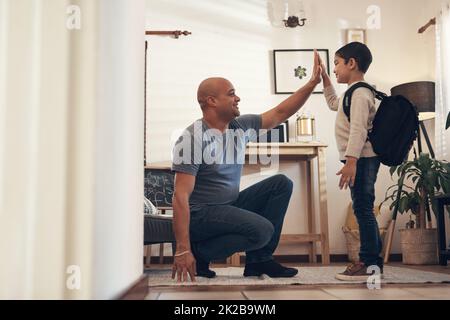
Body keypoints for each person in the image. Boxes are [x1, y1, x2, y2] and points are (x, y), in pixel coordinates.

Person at [171, 51, 322, 282]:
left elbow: (281, 113)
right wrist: (183, 249)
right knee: (262, 230)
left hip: (227, 205)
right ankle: (200, 254)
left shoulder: (239, 126)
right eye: (231, 94)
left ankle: (258, 261)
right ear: (211, 101)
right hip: (200, 216)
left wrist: (312, 83)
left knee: (280, 184)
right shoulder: (192, 138)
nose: (237, 98)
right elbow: (180, 197)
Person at [320, 42, 383, 280]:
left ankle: (367, 262)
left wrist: (351, 161)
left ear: (352, 63)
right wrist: (325, 78)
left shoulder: (360, 93)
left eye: (336, 63)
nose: (335, 69)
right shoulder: (352, 92)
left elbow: (358, 130)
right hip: (361, 159)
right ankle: (373, 263)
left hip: (362, 159)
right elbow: (333, 104)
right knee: (364, 208)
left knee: (363, 209)